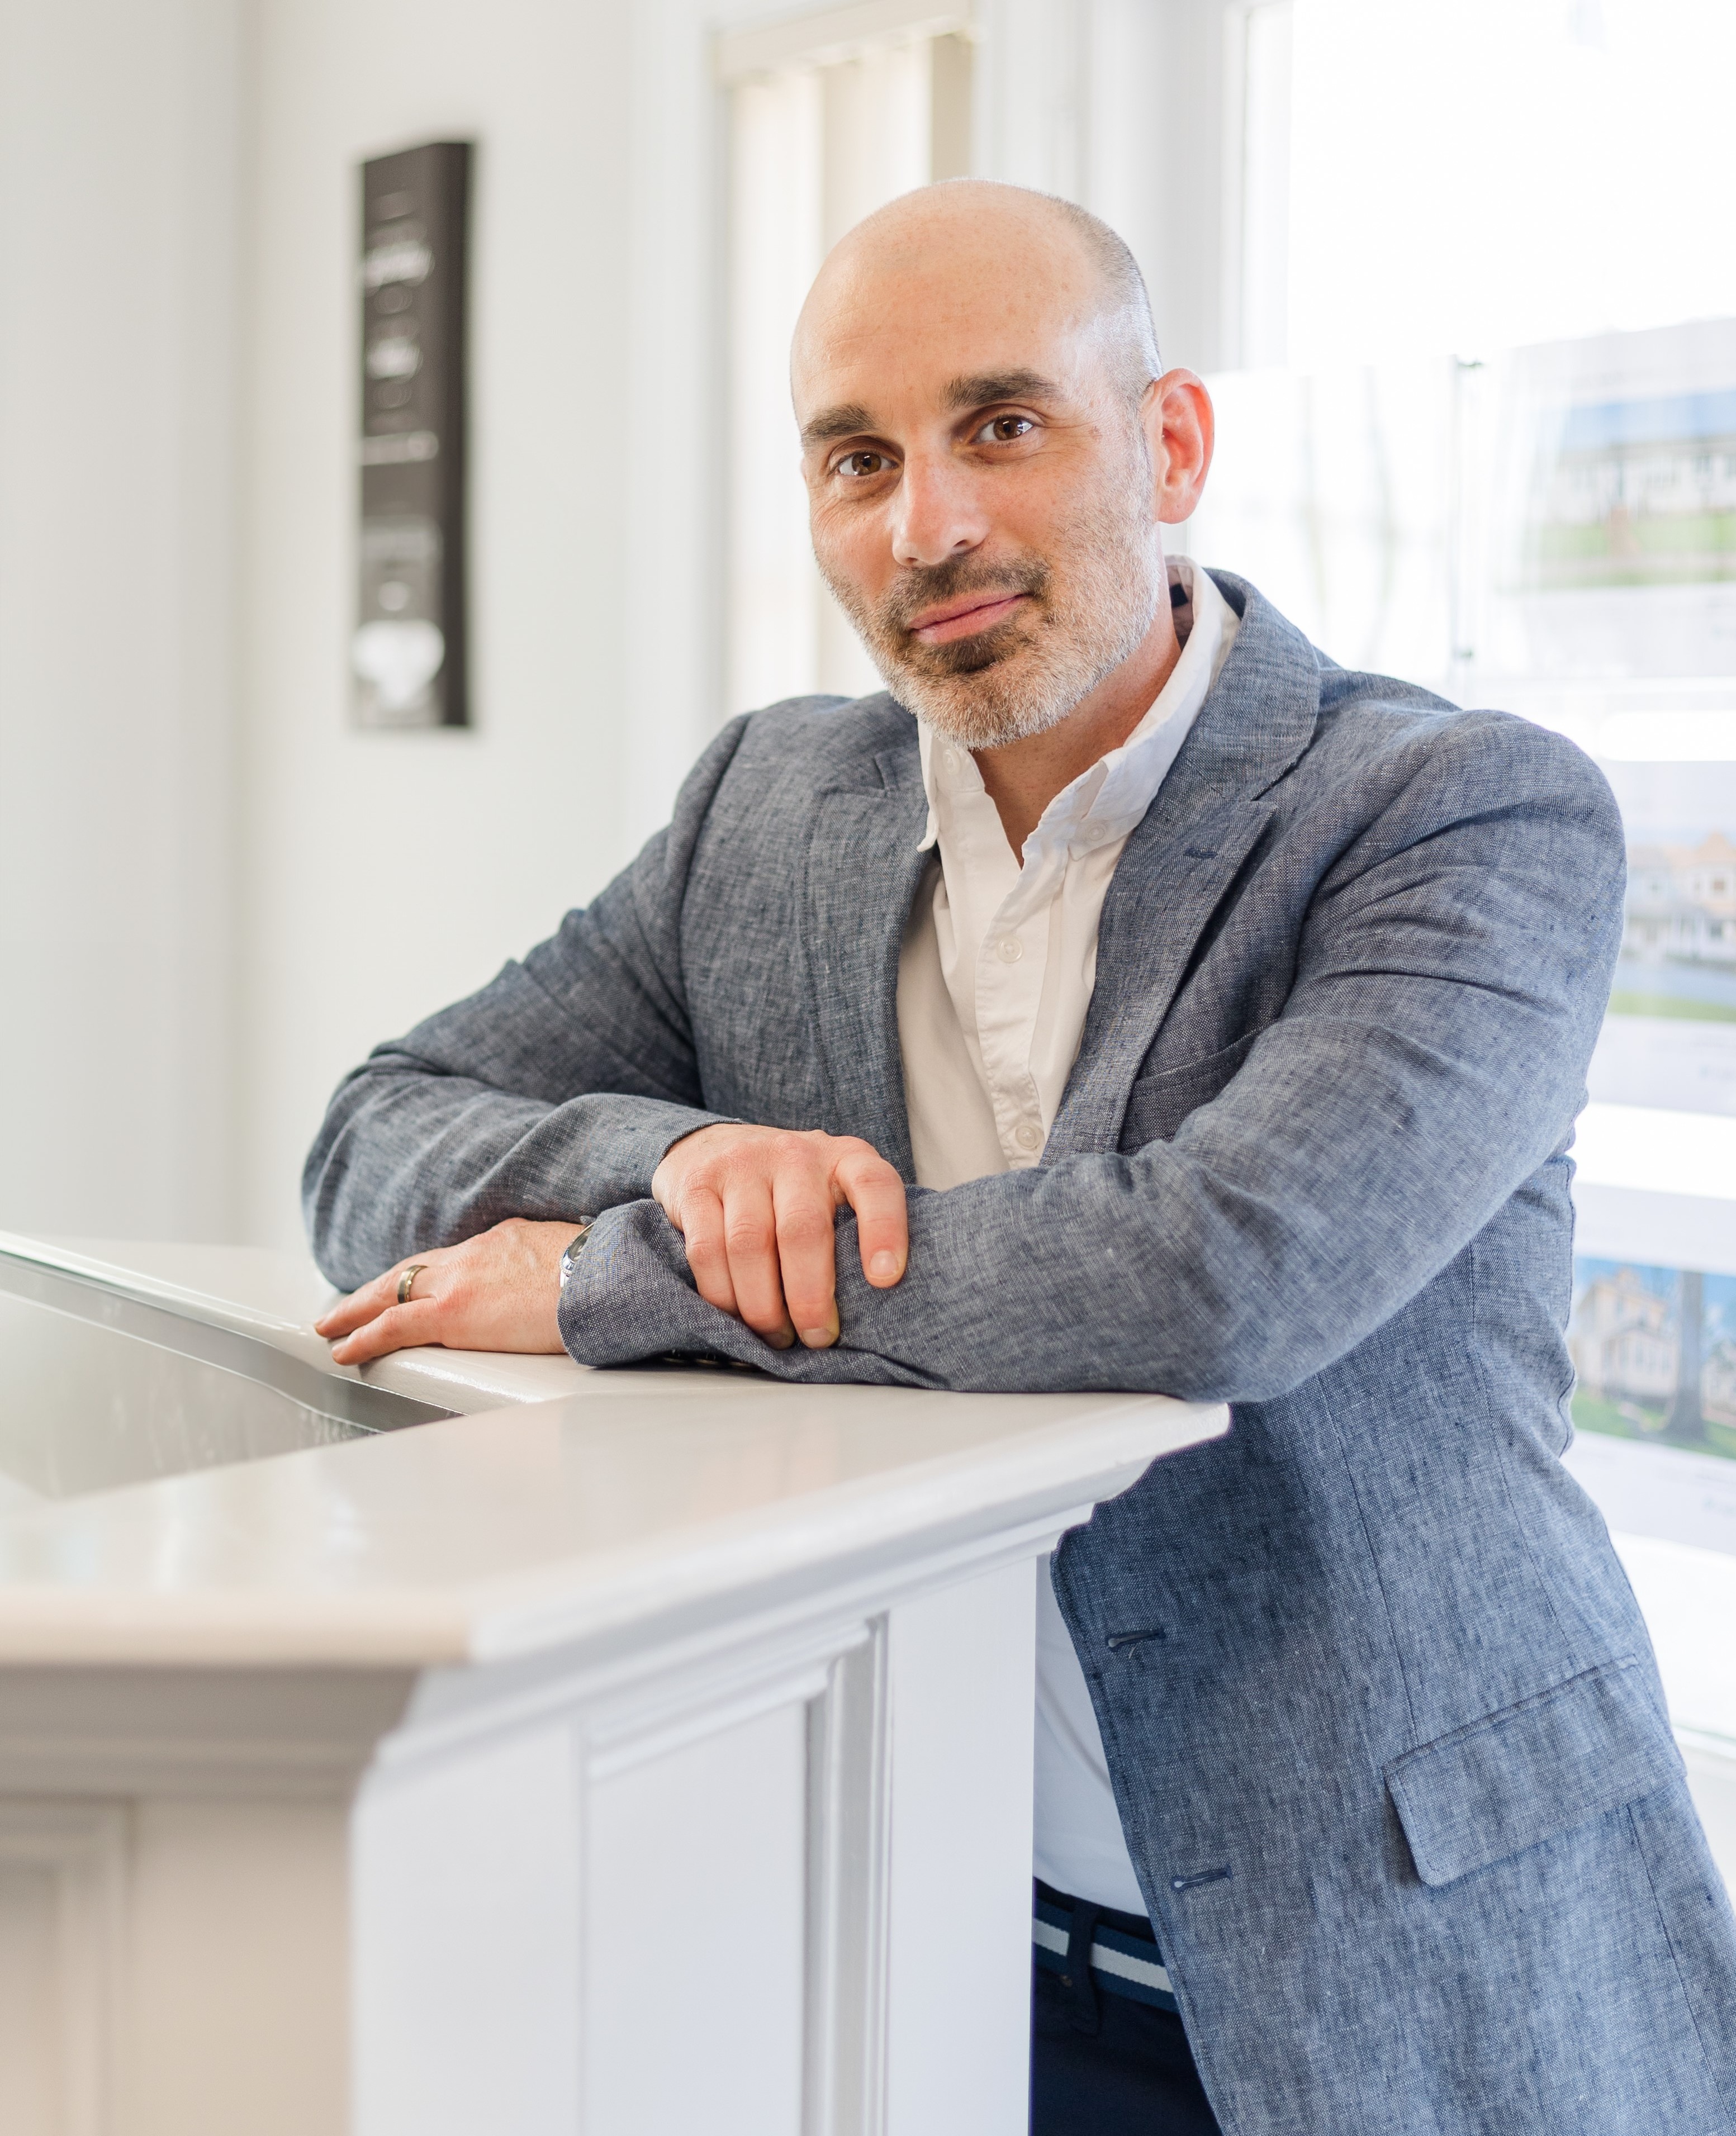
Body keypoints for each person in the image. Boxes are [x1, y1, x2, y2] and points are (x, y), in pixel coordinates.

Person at [306, 181, 1736, 2132]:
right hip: (942, 1955)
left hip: (1421, 1955)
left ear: (1171, 444)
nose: (929, 526)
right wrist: (697, 1157)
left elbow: (1222, 1273)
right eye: (858, 458)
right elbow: (376, 1134)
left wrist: (603, 1272)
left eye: (1000, 424)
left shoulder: (1455, 812)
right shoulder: (762, 812)